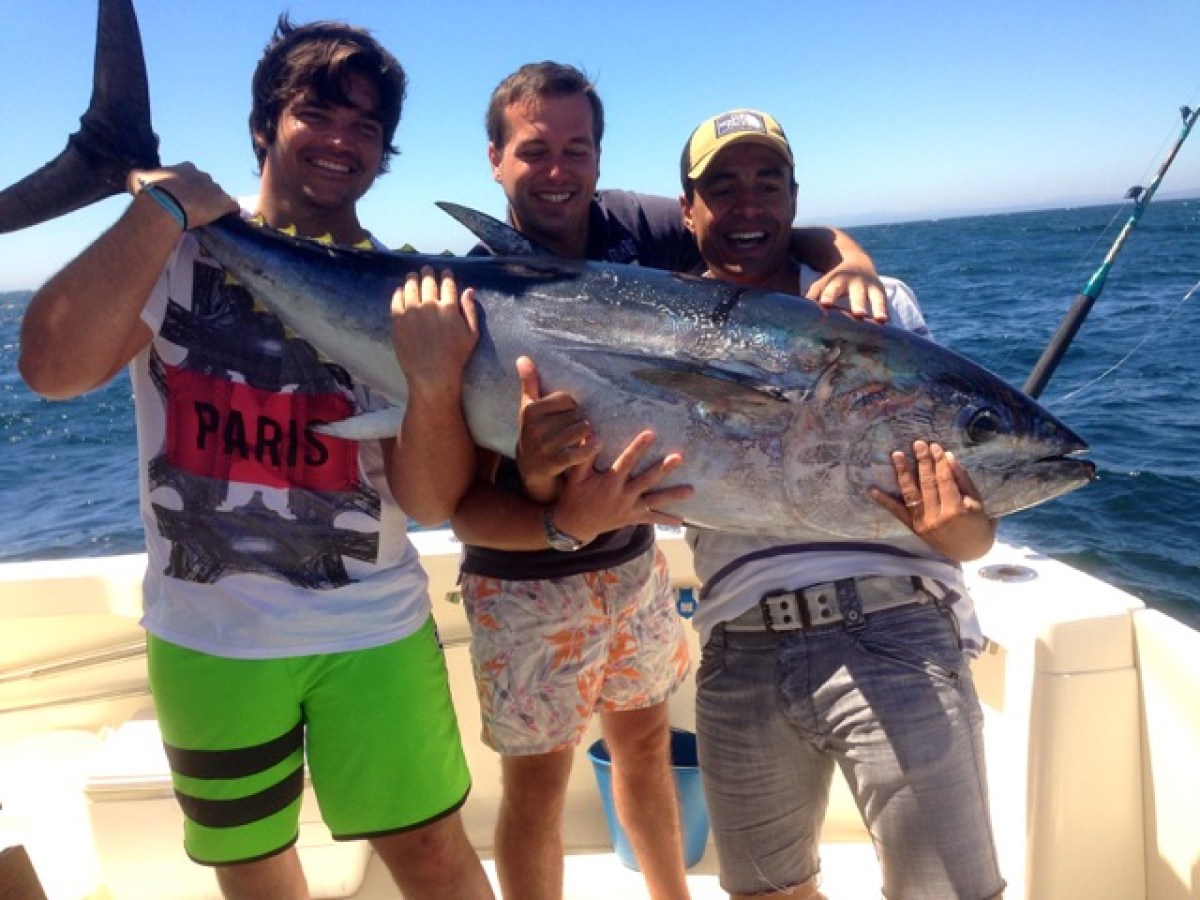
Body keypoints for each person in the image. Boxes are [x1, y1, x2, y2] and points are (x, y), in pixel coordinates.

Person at [18, 18, 492, 900]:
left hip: (372, 633)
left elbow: (424, 502)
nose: (344, 142)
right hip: (207, 637)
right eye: (319, 113)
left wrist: (433, 387)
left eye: (368, 130)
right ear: (266, 121)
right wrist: (158, 208)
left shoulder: (406, 291)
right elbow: (50, 369)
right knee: (253, 866)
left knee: (430, 853)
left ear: (386, 154)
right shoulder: (171, 254)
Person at [447, 62, 888, 900]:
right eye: (534, 150)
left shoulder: (637, 228)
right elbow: (458, 499)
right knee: (538, 790)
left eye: (576, 149)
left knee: (644, 747)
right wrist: (556, 511)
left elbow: (756, 228)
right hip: (526, 581)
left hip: (633, 562)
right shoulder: (467, 289)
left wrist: (851, 257)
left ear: (599, 157)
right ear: (494, 160)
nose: (556, 170)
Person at [677, 108, 1006, 900]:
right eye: (722, 187)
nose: (748, 204)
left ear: (795, 198)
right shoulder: (652, 320)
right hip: (737, 643)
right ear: (686, 210)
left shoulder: (873, 304)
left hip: (893, 626)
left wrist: (959, 525)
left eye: (768, 183)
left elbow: (971, 535)